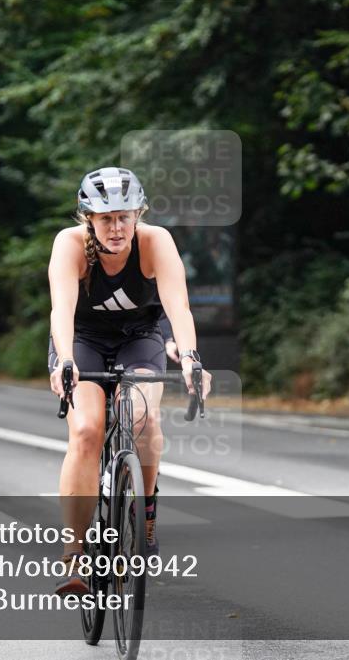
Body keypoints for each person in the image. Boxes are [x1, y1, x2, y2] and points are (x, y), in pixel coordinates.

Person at [47, 166, 211, 596]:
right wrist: (64, 360)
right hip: (81, 341)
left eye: (125, 216)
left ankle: (147, 510)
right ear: (88, 219)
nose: (117, 228)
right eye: (106, 218)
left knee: (143, 419)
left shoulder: (156, 242)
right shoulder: (70, 246)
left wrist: (191, 358)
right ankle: (75, 552)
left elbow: (179, 308)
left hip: (139, 339)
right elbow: (60, 310)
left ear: (139, 213)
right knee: (86, 430)